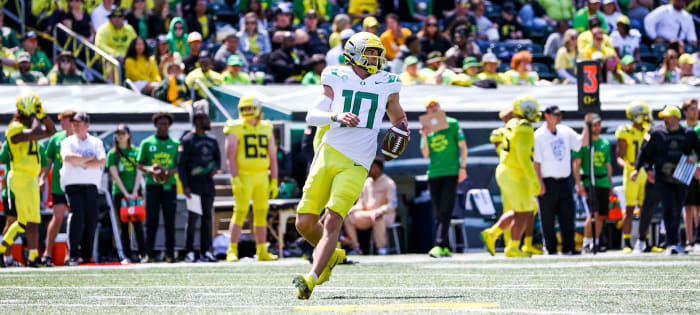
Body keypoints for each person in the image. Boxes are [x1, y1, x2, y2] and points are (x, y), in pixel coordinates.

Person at [293, 32, 407, 299]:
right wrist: (336, 116)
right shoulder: (337, 76)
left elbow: (397, 117)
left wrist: (402, 129)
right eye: (370, 52)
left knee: (333, 219)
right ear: (354, 54)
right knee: (304, 222)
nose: (376, 58)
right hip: (329, 152)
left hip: (359, 160)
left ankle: (312, 277)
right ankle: (331, 256)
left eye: (377, 53)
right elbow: (312, 115)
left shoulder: (387, 83)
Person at [633, 105, 700, 254]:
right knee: (667, 207)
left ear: (676, 118)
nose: (664, 119)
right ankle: (671, 243)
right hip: (661, 177)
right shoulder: (656, 132)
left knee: (677, 208)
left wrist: (696, 158)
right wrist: (642, 169)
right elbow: (644, 153)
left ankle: (676, 242)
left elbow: (699, 149)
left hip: (681, 177)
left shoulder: (689, 134)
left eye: (667, 116)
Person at [482, 96, 542, 257]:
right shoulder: (525, 127)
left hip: (508, 170)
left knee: (525, 209)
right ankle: (513, 247)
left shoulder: (513, 123)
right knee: (524, 210)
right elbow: (524, 157)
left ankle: (493, 233)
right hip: (515, 172)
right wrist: (535, 180)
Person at [0, 93, 55, 268]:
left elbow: (51, 131)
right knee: (31, 220)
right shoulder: (14, 127)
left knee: (24, 222)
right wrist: (33, 116)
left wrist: (42, 115)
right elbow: (37, 131)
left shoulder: (30, 128)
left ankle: (3, 250)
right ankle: (33, 257)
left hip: (29, 177)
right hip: (21, 176)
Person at [224, 94, 279, 262]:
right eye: (244, 108)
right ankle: (232, 249)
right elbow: (230, 157)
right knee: (240, 212)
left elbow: (273, 157)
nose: (247, 111)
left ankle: (262, 250)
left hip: (262, 176)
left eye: (250, 107)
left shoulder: (266, 127)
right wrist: (235, 178)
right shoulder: (235, 127)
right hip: (244, 176)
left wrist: (275, 180)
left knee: (262, 212)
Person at [534, 105, 588, 255]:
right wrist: (539, 183)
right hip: (547, 181)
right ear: (546, 116)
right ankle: (550, 249)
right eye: (555, 114)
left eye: (560, 114)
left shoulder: (565, 131)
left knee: (567, 216)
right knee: (547, 218)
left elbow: (582, 142)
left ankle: (568, 247)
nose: (558, 117)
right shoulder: (539, 135)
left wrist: (587, 124)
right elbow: (536, 163)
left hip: (564, 180)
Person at [420, 96, 467, 258]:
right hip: (434, 173)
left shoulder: (452, 123)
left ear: (440, 108)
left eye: (435, 107)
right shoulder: (427, 128)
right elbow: (425, 154)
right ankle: (445, 246)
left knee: (446, 209)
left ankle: (439, 244)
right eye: (429, 107)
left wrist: (463, 167)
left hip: (451, 172)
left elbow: (463, 147)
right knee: (438, 211)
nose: (432, 110)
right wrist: (424, 136)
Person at [60, 112, 105, 266]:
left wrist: (80, 161)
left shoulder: (96, 142)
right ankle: (73, 255)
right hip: (73, 185)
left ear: (87, 125)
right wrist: (89, 159)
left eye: (79, 123)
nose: (75, 125)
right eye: (74, 123)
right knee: (77, 217)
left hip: (91, 186)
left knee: (91, 220)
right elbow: (69, 158)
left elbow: (102, 161)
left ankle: (87, 256)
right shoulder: (67, 141)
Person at [179, 109, 220, 263]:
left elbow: (218, 160)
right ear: (197, 121)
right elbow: (181, 165)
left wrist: (214, 169)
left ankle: (206, 251)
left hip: (208, 184)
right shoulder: (188, 140)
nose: (208, 122)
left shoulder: (212, 140)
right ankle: (189, 251)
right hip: (193, 185)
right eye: (205, 119)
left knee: (207, 218)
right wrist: (185, 185)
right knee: (193, 218)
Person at [138, 112, 179, 263]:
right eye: (160, 123)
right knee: (151, 221)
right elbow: (140, 163)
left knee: (170, 220)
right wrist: (151, 170)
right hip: (152, 186)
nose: (163, 126)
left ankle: (170, 254)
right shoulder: (147, 143)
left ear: (169, 125)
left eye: (166, 124)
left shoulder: (175, 144)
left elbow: (179, 165)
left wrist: (168, 172)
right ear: (156, 125)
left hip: (169, 186)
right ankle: (149, 254)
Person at [573, 113, 612, 253]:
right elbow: (576, 164)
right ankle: (587, 241)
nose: (597, 128)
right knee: (593, 213)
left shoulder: (605, 143)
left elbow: (608, 165)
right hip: (589, 181)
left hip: (603, 181)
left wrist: (611, 184)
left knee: (601, 215)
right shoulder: (583, 144)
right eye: (594, 125)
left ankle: (596, 241)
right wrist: (579, 184)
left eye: (598, 125)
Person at [615, 101, 651, 253]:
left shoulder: (647, 131)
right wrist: (628, 167)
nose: (645, 118)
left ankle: (645, 241)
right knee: (629, 209)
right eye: (642, 115)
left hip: (645, 171)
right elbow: (619, 156)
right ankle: (627, 242)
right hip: (631, 172)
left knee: (646, 209)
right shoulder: (626, 132)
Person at [106, 124, 145, 264]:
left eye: (123, 133)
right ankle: (126, 255)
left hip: (135, 192)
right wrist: (126, 194)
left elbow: (140, 172)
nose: (120, 135)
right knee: (123, 224)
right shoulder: (112, 154)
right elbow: (114, 175)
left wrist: (134, 191)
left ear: (128, 135)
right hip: (120, 193)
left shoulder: (136, 151)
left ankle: (143, 254)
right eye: (117, 133)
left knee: (138, 223)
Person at [41, 110, 75, 266]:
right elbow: (48, 162)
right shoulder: (56, 139)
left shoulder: (80, 138)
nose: (62, 124)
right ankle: (47, 253)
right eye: (61, 121)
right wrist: (42, 178)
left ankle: (71, 254)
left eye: (65, 120)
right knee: (59, 217)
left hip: (76, 184)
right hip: (58, 185)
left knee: (75, 219)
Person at [344, 157, 397, 255]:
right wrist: (352, 209)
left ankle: (381, 249)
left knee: (377, 216)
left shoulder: (389, 183)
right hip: (368, 214)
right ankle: (356, 248)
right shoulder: (366, 183)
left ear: (379, 168)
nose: (370, 169)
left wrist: (382, 210)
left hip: (385, 215)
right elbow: (361, 203)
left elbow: (393, 203)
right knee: (348, 217)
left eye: (372, 167)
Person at [681, 98, 700, 251]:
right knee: (689, 206)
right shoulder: (682, 130)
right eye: (692, 109)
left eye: (696, 108)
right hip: (686, 171)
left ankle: (698, 237)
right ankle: (689, 240)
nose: (695, 111)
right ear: (685, 112)